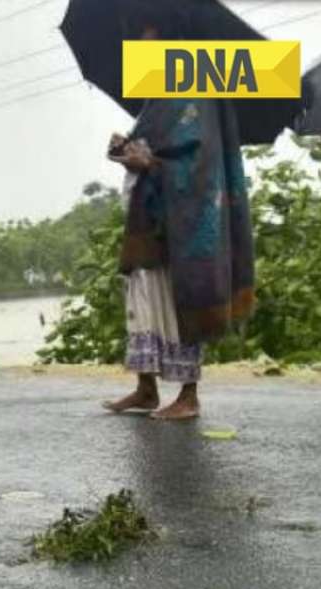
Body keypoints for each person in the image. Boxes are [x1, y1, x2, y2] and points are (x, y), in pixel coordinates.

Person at [102, 16, 255, 420]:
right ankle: (145, 388)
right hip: (147, 217)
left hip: (182, 224)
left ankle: (189, 395)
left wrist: (150, 162)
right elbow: (154, 148)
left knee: (178, 300)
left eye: (152, 47)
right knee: (144, 299)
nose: (144, 54)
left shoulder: (196, 98)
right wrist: (127, 149)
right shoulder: (157, 99)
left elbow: (199, 162)